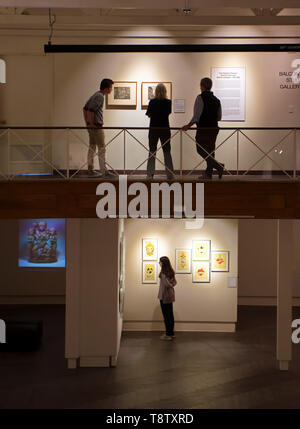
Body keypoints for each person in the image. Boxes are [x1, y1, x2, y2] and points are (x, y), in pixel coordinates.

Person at [183, 77, 224, 180]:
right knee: (211, 150)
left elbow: (196, 116)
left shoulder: (200, 98)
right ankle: (209, 174)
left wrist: (188, 126)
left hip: (203, 129)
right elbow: (219, 117)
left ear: (202, 86)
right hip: (213, 129)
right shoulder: (217, 100)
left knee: (200, 149)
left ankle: (218, 166)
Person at [83, 78, 115, 177]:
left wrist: (87, 123)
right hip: (96, 126)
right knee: (102, 148)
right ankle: (104, 171)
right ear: (106, 88)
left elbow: (85, 108)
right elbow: (90, 110)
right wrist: (92, 124)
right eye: (111, 87)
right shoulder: (100, 96)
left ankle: (90, 169)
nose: (111, 89)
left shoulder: (95, 94)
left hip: (92, 126)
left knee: (92, 146)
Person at [146, 83, 175, 180]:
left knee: (152, 151)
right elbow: (168, 113)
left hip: (154, 129)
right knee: (167, 151)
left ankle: (150, 174)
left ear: (156, 91)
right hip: (165, 129)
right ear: (165, 91)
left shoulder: (152, 102)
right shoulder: (168, 102)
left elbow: (149, 114)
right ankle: (170, 174)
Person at [158, 256, 177, 341]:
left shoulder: (163, 273)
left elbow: (166, 284)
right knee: (170, 314)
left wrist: (169, 285)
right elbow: (175, 282)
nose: (159, 263)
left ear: (163, 263)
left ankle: (168, 334)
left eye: (160, 262)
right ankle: (171, 333)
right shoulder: (170, 272)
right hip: (170, 295)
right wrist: (171, 285)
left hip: (164, 296)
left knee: (166, 315)